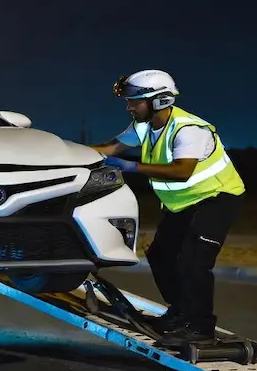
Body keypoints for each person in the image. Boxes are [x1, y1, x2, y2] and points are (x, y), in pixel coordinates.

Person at [91, 70, 245, 347]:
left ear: (159, 100)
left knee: (193, 263)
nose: (129, 107)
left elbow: (182, 171)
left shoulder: (189, 130)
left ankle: (200, 329)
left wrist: (132, 166)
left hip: (215, 199)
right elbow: (108, 148)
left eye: (134, 101)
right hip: (183, 203)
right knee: (160, 256)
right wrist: (64, 151)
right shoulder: (144, 126)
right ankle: (180, 313)